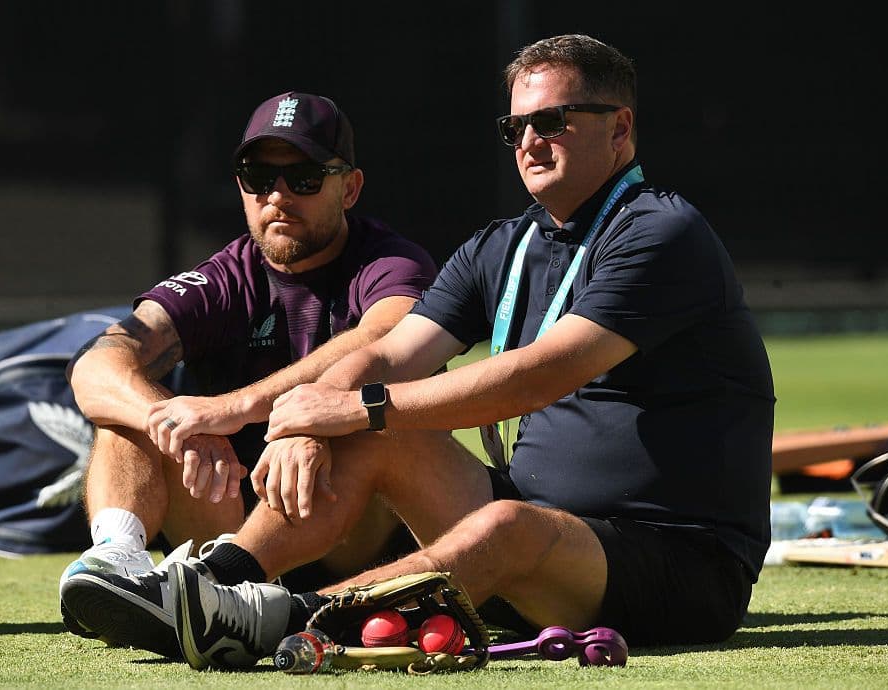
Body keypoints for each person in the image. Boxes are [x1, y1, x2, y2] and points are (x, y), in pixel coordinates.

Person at [62, 34, 775, 670]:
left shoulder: (659, 231)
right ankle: (218, 581)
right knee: (390, 446)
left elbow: (541, 374)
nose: (530, 141)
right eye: (516, 126)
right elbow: (392, 352)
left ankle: (277, 619)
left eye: (553, 121)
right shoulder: (506, 242)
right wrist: (312, 416)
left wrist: (352, 408)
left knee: (496, 518)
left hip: (677, 560)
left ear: (620, 129)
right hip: (536, 528)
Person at [57, 91, 438, 657]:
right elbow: (97, 363)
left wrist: (240, 410)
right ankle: (118, 564)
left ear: (349, 188)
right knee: (130, 410)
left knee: (361, 436)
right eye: (257, 177)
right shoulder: (227, 274)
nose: (278, 196)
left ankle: (231, 596)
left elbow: (391, 335)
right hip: (230, 528)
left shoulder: (390, 263)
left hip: (354, 533)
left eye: (304, 177)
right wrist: (175, 422)